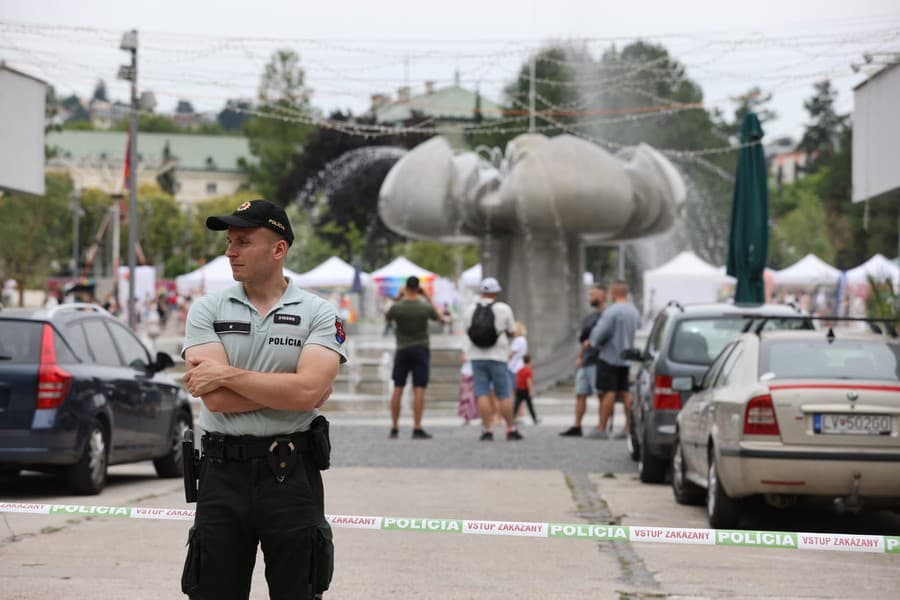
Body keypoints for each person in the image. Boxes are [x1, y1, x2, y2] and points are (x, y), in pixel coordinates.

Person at [180, 199, 346, 599]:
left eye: (243, 241)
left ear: (278, 250)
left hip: (291, 475)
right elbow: (215, 399)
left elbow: (308, 391)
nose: (230, 251)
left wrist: (228, 374)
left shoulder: (320, 314)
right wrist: (292, 391)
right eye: (229, 241)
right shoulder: (206, 309)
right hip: (222, 476)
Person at [463, 277, 523, 441]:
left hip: (476, 356)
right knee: (503, 393)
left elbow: (467, 331)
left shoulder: (470, 309)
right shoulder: (503, 308)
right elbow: (512, 331)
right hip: (498, 356)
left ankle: (487, 429)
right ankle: (510, 428)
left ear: (482, 292)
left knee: (482, 393)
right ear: (495, 292)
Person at [385, 276, 444, 439]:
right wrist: (427, 297)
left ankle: (394, 427)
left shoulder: (398, 306)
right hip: (421, 349)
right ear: (418, 288)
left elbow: (387, 317)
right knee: (419, 388)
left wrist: (398, 297)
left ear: (406, 288)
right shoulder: (424, 306)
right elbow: (440, 319)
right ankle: (417, 427)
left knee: (398, 388)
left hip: (402, 349)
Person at [588, 280, 640, 439]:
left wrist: (593, 342)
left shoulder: (611, 311)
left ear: (614, 292)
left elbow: (599, 334)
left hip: (610, 356)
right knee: (625, 392)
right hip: (626, 358)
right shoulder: (634, 311)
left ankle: (602, 427)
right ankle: (628, 427)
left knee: (608, 391)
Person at [560, 285, 607, 437]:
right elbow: (584, 340)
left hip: (599, 360)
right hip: (586, 360)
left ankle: (602, 425)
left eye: (593, 294)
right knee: (581, 393)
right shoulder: (590, 317)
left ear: (603, 295)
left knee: (601, 394)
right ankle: (577, 425)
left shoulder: (607, 316)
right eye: (589, 294)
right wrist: (580, 357)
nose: (590, 297)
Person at [507, 321, 528, 418]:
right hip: (519, 367)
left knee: (516, 392)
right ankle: (519, 413)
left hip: (514, 368)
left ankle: (518, 413)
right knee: (518, 392)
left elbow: (510, 354)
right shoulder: (523, 340)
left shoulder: (518, 340)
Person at [513, 354, 539, 425]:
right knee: (530, 406)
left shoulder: (520, 370)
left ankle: (512, 418)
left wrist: (516, 389)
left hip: (519, 389)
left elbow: (516, 380)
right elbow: (529, 381)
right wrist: (530, 391)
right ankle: (534, 419)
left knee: (516, 405)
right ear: (529, 361)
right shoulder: (528, 371)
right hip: (525, 390)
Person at [458, 352, 478, 424]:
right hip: (471, 372)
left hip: (470, 373)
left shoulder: (466, 345)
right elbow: (462, 358)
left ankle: (468, 417)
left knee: (468, 397)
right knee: (469, 397)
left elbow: (462, 358)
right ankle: (467, 416)